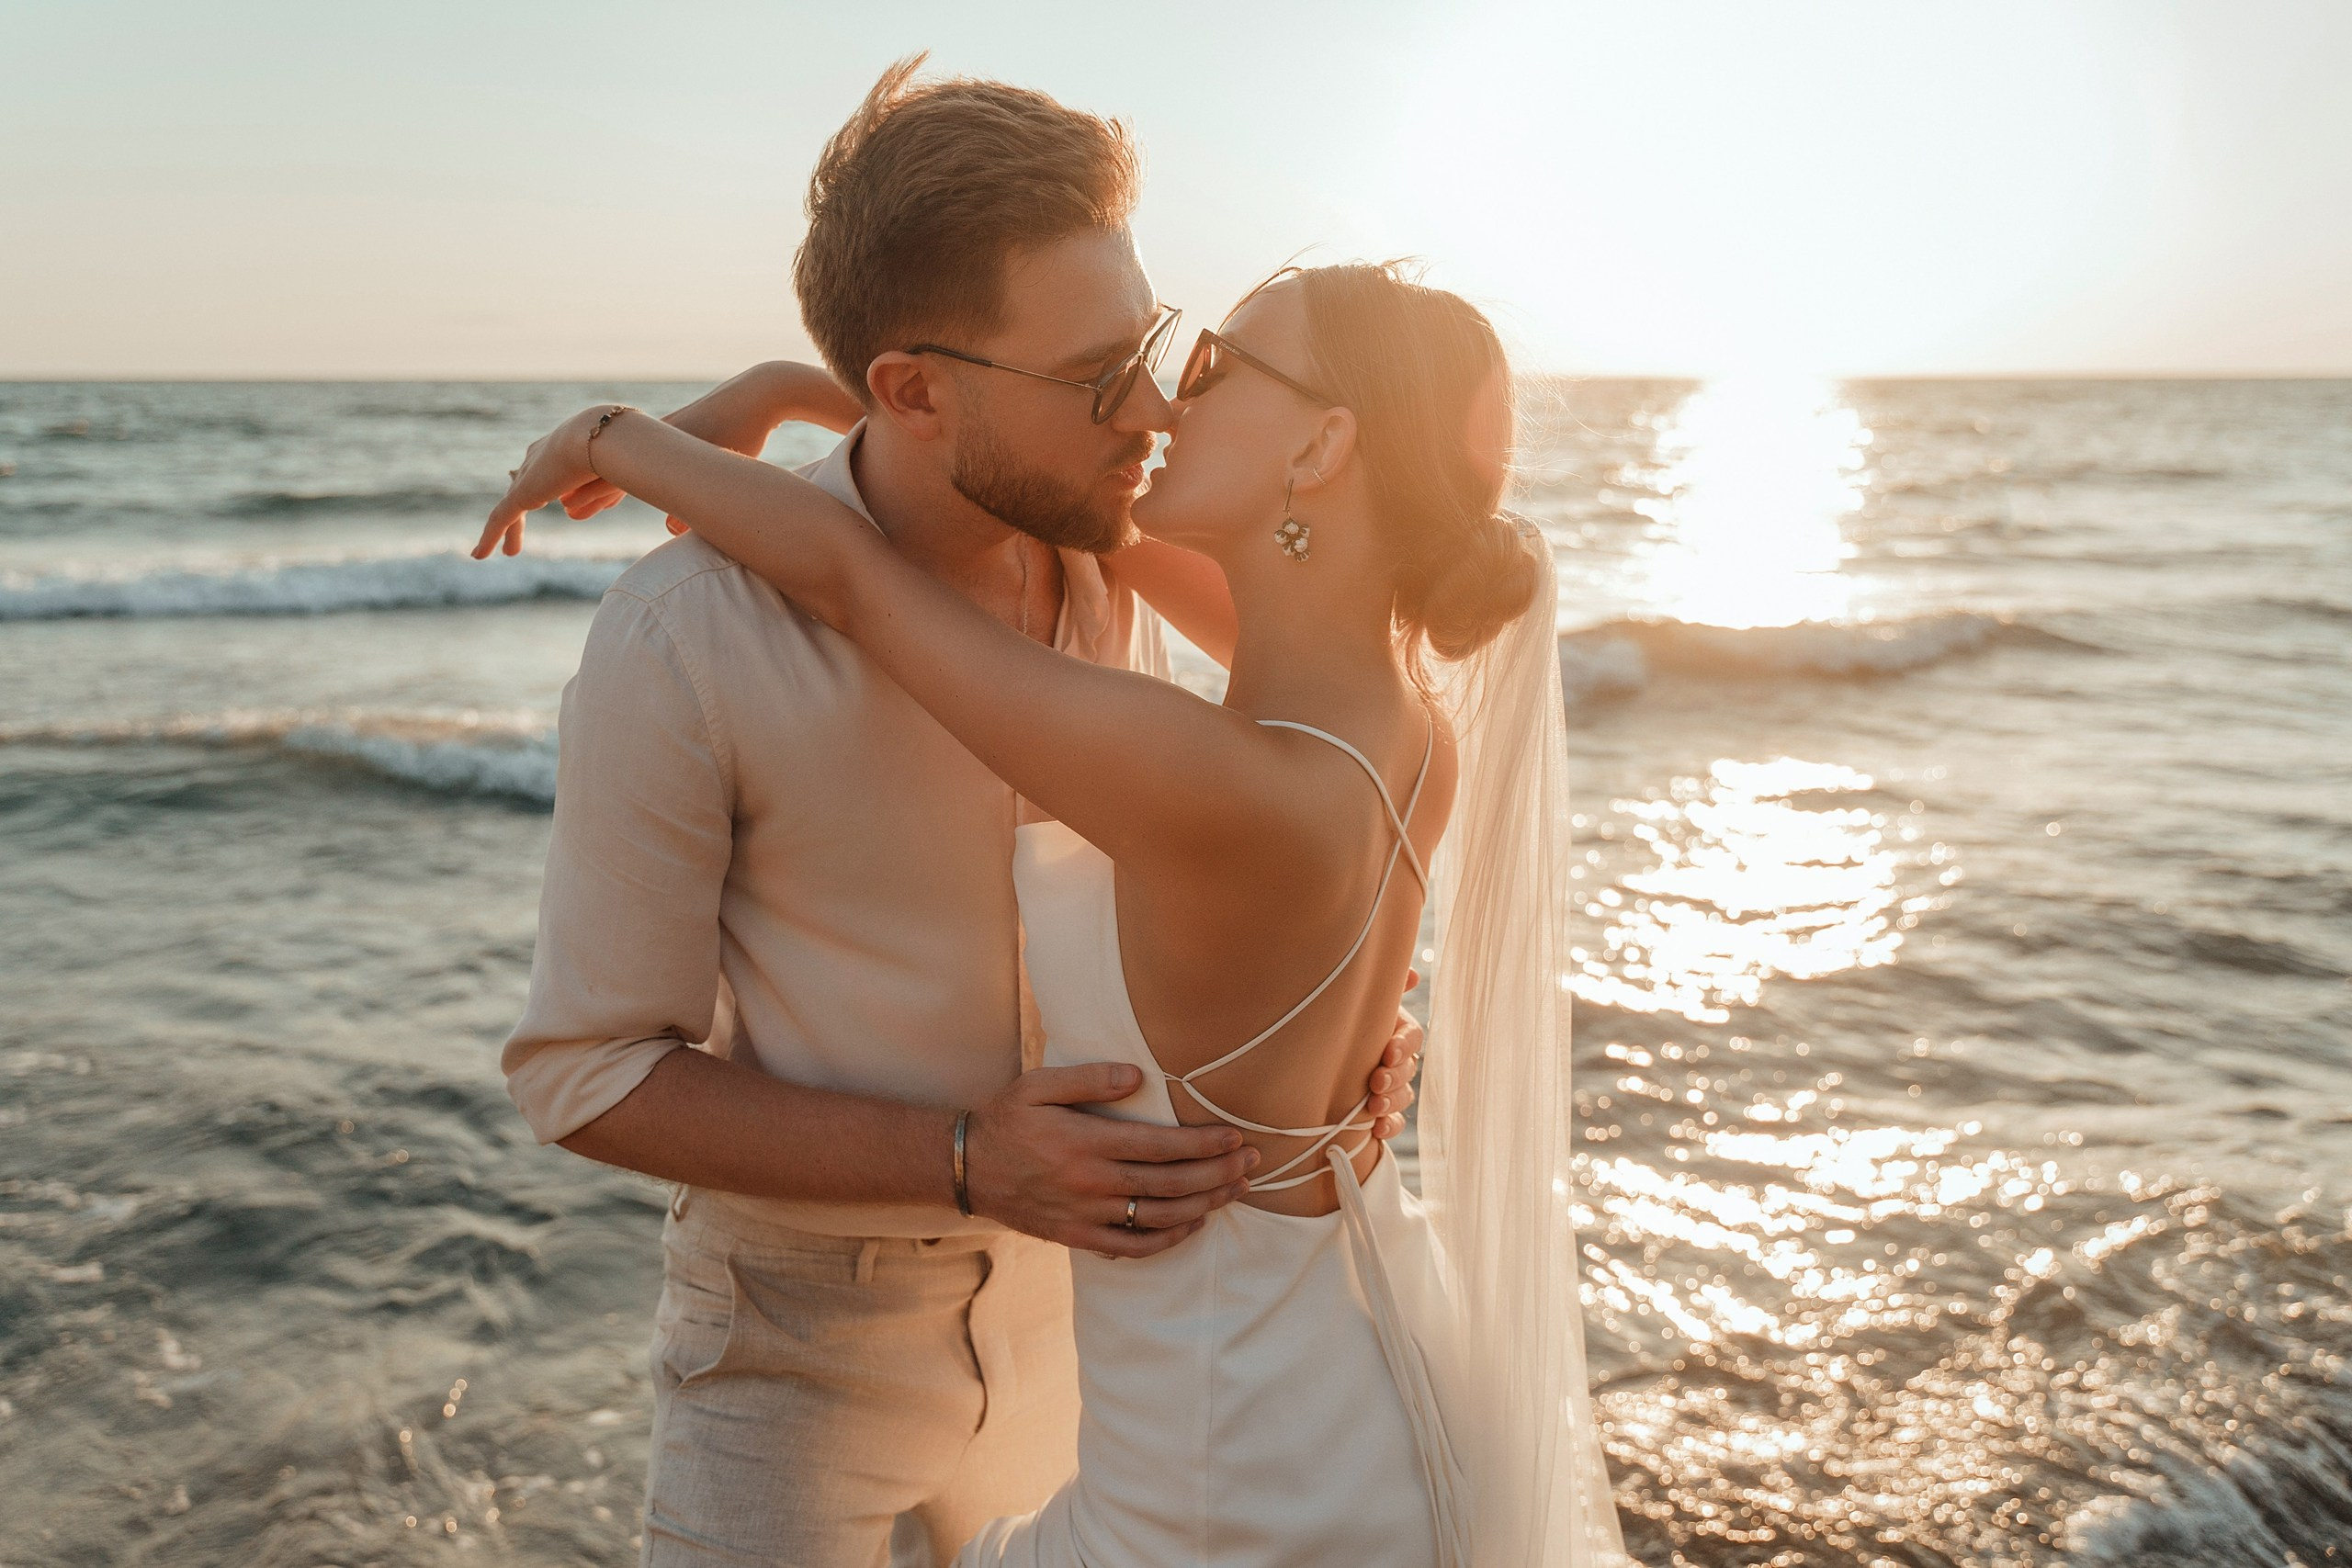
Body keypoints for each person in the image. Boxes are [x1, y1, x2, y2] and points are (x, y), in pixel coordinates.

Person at [481, 254, 1630, 1564]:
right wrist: (803, 394)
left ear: (1321, 447)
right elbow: (1022, 486)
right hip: (1327, 1380)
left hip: (1217, 1468)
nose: (1157, 404)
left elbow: (856, 585)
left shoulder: (1206, 774)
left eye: (1212, 366)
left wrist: (605, 436)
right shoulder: (1402, 725)